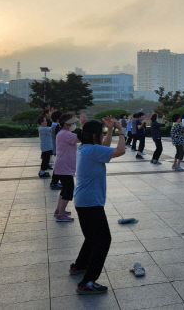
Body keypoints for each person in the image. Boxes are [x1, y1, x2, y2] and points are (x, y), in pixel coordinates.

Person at [69, 116, 126, 294]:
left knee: (92, 238)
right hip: (91, 202)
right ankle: (87, 282)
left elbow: (104, 148)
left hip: (83, 200)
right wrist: (121, 131)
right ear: (94, 135)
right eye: (101, 133)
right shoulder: (92, 150)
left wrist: (109, 130)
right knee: (103, 240)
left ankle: (79, 266)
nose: (102, 136)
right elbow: (119, 151)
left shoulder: (85, 148)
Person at [54, 113, 86, 222]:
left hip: (63, 166)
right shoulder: (65, 134)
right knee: (68, 190)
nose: (73, 125)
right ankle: (61, 214)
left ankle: (59, 210)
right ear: (66, 124)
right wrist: (83, 125)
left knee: (65, 189)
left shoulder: (63, 133)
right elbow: (81, 138)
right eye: (72, 123)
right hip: (64, 167)